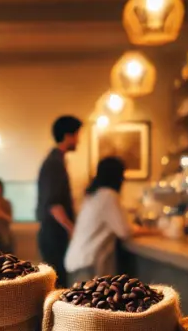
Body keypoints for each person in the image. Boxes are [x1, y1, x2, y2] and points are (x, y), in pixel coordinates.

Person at [64, 156, 155, 281]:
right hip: (87, 264)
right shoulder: (108, 196)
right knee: (87, 301)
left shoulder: (94, 195)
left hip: (79, 261)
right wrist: (155, 231)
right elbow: (124, 231)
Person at [37, 115, 82, 287]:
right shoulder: (54, 163)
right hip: (53, 236)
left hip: (53, 234)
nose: (78, 140)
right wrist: (72, 229)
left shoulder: (57, 160)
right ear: (68, 135)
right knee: (57, 287)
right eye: (77, 134)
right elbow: (54, 204)